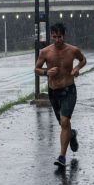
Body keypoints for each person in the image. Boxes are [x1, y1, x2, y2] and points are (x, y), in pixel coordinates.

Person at [34, 22, 87, 167]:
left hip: (69, 90)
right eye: (55, 37)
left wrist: (76, 68)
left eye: (60, 37)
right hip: (54, 92)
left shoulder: (72, 50)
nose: (58, 40)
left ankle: (62, 156)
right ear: (51, 36)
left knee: (64, 122)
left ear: (64, 35)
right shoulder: (45, 52)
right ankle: (72, 134)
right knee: (63, 124)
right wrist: (46, 72)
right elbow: (36, 69)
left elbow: (83, 60)